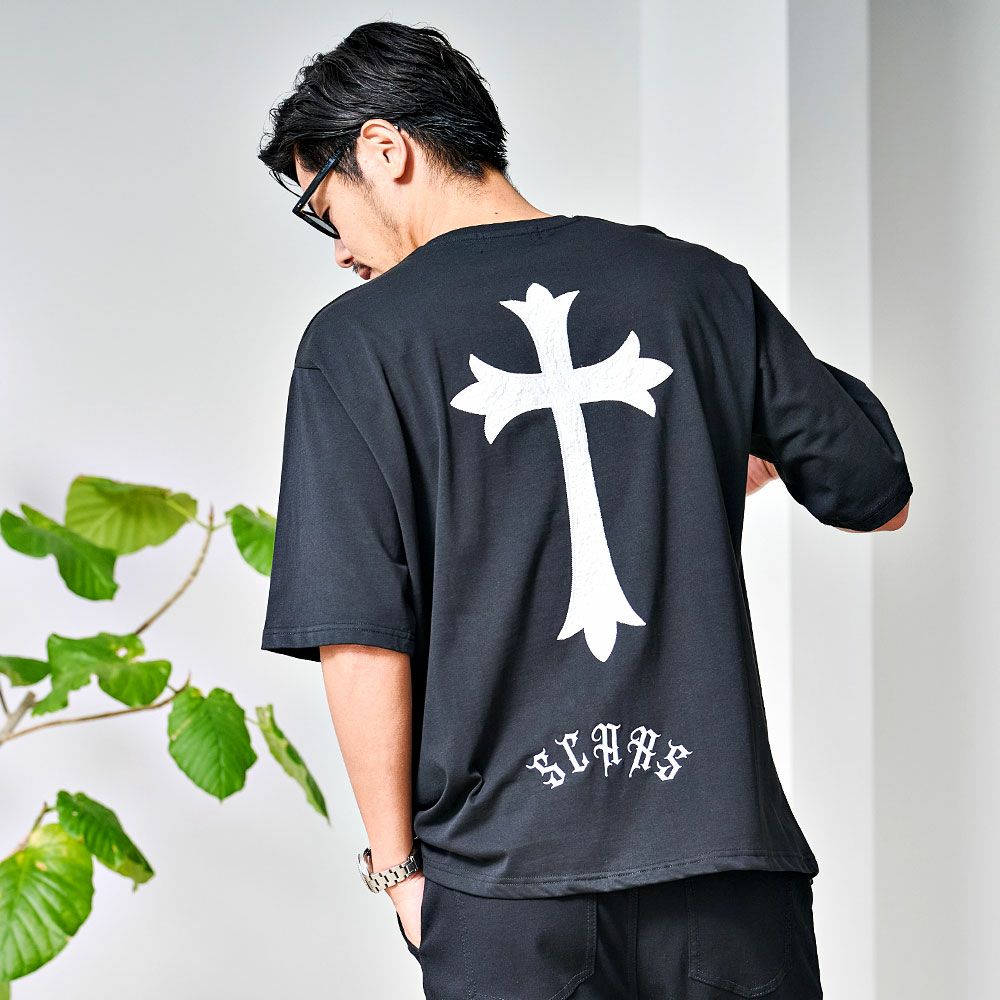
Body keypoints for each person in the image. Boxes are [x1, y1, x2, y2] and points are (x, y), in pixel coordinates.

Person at [257, 20, 912, 1000]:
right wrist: (719, 414)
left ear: (385, 149)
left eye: (324, 207)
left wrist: (397, 874)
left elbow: (359, 637)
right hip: (726, 872)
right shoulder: (694, 286)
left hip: (507, 892)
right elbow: (876, 494)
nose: (340, 249)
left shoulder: (357, 344)